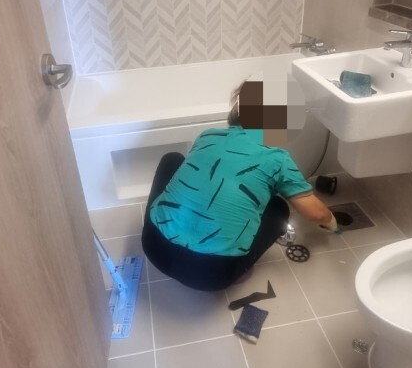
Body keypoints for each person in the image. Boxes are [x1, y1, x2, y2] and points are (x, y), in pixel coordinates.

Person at [141, 80, 338, 291]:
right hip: (210, 275)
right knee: (279, 207)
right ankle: (239, 266)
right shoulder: (277, 158)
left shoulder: (208, 135)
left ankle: (168, 222)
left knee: (172, 159)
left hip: (153, 246)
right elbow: (316, 214)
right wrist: (333, 223)